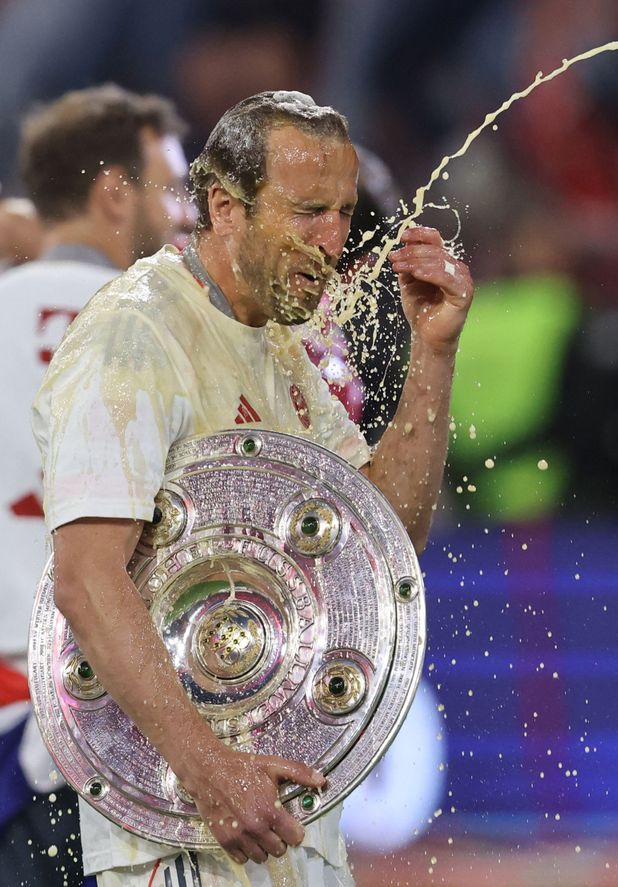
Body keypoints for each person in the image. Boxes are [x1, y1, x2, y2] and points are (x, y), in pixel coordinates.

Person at [33, 90, 474, 886]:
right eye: (307, 212)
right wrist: (210, 771)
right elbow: (86, 579)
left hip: (279, 818)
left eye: (343, 213)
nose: (333, 240)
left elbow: (383, 541)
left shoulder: (281, 346)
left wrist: (432, 356)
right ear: (224, 208)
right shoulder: (137, 331)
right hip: (179, 829)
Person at [0, 83, 193, 887]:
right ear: (115, 191)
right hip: (136, 736)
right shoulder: (176, 327)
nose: (185, 215)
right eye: (171, 189)